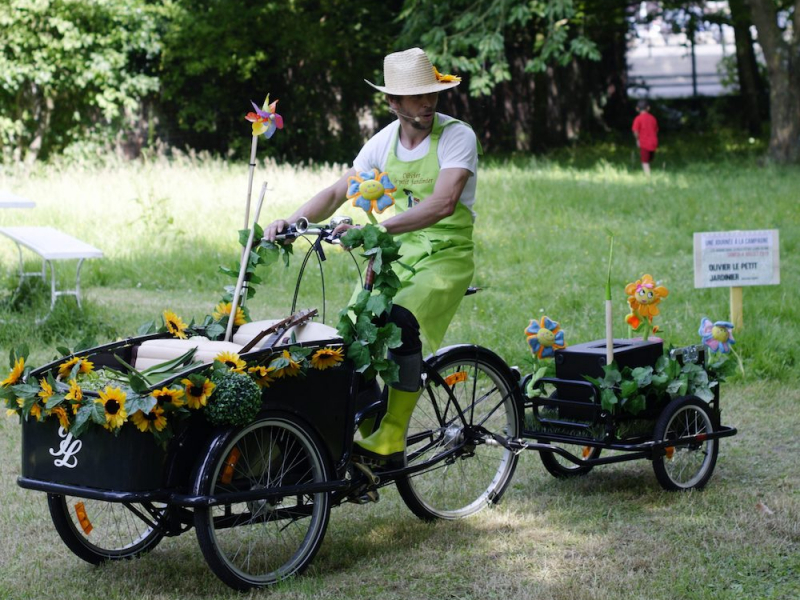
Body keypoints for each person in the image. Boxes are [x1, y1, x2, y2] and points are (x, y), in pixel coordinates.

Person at [265, 47, 480, 461]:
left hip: (446, 254)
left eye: (431, 92)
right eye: (417, 96)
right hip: (397, 251)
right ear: (393, 102)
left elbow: (443, 203)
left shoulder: (457, 136)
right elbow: (337, 192)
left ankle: (393, 434)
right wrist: (291, 223)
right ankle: (367, 433)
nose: (428, 101)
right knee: (349, 335)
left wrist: (375, 230)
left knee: (399, 320)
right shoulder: (383, 143)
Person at [632, 98, 658, 176]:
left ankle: (648, 176)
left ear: (637, 109)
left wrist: (637, 140)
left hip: (644, 143)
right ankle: (650, 172)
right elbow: (656, 130)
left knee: (644, 161)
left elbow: (635, 131)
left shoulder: (638, 119)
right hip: (653, 142)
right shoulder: (653, 118)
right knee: (649, 160)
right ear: (648, 108)